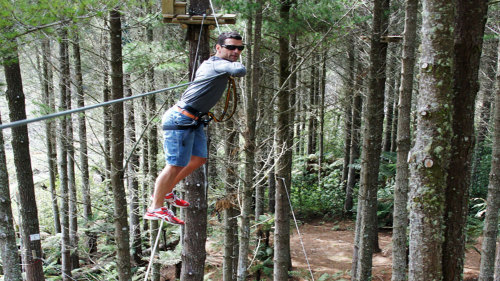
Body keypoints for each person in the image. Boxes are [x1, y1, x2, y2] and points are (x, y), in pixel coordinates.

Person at [144, 31, 246, 225]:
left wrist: (233, 60)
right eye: (231, 47)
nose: (236, 51)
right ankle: (155, 208)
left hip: (194, 119)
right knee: (175, 165)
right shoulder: (216, 64)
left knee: (198, 159)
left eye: (239, 48)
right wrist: (236, 63)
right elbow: (239, 71)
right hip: (181, 119)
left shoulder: (221, 65)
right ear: (218, 48)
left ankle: (166, 192)